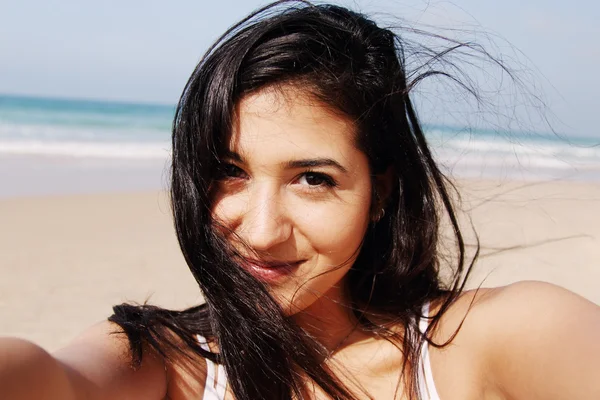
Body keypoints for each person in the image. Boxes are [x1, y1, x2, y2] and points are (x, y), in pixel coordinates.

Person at [1, 1, 599, 399]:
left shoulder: (494, 338)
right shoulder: (166, 363)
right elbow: (50, 379)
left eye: (312, 179)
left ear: (380, 192)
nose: (260, 232)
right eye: (229, 171)